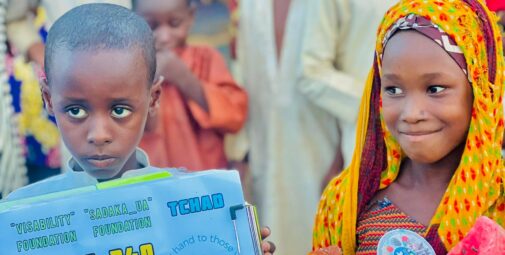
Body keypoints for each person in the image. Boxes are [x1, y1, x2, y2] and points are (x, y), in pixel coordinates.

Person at [3, 4, 274, 253]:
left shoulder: (195, 203)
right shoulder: (23, 220)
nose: (98, 135)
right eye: (76, 111)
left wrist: (240, 245)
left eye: (119, 110)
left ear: (154, 98)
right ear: (49, 100)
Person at [312, 0, 505, 254]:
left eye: (434, 89)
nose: (411, 114)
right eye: (393, 89)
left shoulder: (498, 200)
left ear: (479, 92)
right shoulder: (346, 201)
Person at [134, 0, 248, 170]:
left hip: (205, 180)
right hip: (152, 183)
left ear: (191, 16)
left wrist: (184, 78)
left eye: (175, 24)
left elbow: (235, 116)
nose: (164, 37)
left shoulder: (206, 58)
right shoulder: (131, 67)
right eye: (152, 26)